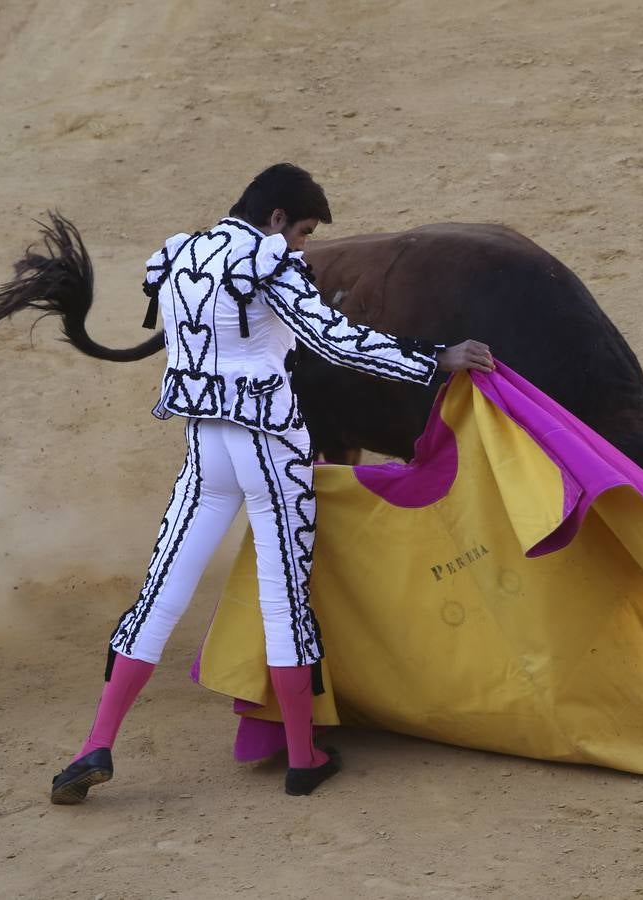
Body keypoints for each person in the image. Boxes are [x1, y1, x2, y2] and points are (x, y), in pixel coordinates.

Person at [49, 163, 494, 803]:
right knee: (284, 595)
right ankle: (303, 755)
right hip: (270, 444)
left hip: (205, 443)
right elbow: (335, 341)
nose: (304, 246)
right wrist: (436, 358)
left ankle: (94, 743)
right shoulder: (269, 259)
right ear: (278, 217)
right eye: (304, 231)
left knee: (162, 591)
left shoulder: (177, 255)